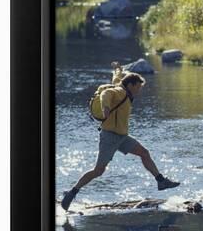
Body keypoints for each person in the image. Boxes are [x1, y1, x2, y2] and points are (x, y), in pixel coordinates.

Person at [60, 62, 180, 211]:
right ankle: (72, 192)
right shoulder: (118, 92)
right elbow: (105, 94)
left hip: (122, 137)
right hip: (110, 137)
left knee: (144, 153)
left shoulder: (122, 86)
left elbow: (117, 76)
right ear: (131, 84)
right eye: (138, 87)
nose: (139, 90)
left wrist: (117, 68)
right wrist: (105, 108)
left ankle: (161, 181)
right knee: (98, 171)